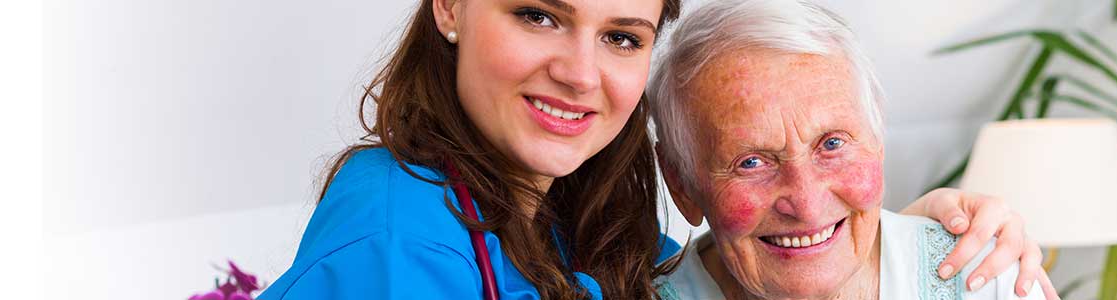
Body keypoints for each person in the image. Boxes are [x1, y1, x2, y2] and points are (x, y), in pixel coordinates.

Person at [259, 0, 1051, 299]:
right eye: (537, 13)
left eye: (620, 36)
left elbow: (765, 248)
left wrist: (911, 243)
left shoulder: (587, 226)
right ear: (452, 7)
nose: (578, 73)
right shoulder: (395, 238)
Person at [646, 0, 1057, 299]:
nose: (806, 204)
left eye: (832, 144)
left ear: (877, 142)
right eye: (751, 162)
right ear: (680, 184)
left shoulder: (987, 277)